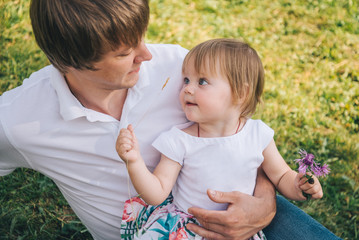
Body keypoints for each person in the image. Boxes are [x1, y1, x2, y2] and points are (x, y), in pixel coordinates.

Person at [0, 0, 341, 240]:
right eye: (124, 53)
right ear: (70, 61)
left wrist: (263, 204)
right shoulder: (19, 120)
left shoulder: (181, 68)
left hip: (241, 209)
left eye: (142, 37)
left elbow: (239, 138)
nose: (146, 55)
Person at [116, 39, 324, 239]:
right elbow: (157, 193)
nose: (187, 88)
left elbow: (281, 176)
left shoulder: (257, 134)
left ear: (241, 93)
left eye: (202, 81)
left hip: (239, 229)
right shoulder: (179, 140)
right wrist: (134, 161)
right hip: (187, 229)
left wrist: (299, 186)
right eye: (186, 80)